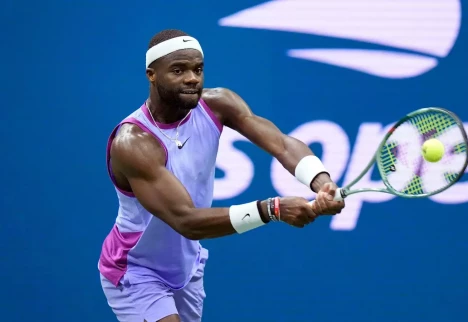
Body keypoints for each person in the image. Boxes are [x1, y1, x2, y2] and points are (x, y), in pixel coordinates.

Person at [98, 29, 345, 322]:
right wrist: (272, 209)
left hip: (187, 267)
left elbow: (281, 143)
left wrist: (322, 181)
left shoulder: (218, 104)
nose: (192, 78)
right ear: (151, 74)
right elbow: (186, 220)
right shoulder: (133, 143)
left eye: (198, 69)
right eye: (178, 70)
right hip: (135, 269)